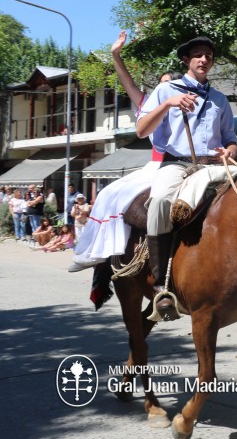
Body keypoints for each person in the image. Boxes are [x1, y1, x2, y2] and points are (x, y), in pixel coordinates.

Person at [136, 35, 237, 318]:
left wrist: (229, 151)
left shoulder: (220, 99)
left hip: (214, 166)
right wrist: (169, 104)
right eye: (198, 55)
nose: (204, 59)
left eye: (209, 56)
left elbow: (231, 138)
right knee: (158, 202)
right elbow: (142, 130)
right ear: (186, 60)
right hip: (177, 165)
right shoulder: (166, 90)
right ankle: (160, 287)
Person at [69, 32, 181, 272]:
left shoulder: (188, 106)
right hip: (155, 166)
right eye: (160, 83)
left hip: (180, 164)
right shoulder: (150, 107)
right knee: (109, 193)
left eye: (168, 84)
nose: (162, 87)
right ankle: (100, 251)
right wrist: (115, 55)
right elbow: (128, 83)